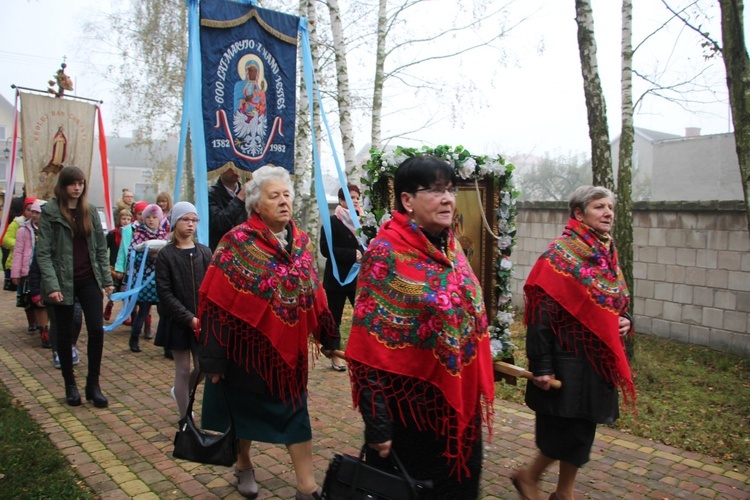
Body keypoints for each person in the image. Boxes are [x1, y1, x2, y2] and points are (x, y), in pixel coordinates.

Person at [345, 156, 495, 499]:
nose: (447, 198)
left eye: (451, 189)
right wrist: (378, 425)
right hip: (412, 415)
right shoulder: (385, 255)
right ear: (407, 200)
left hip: (459, 405)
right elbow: (368, 349)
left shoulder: (452, 248)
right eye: (435, 190)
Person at [198, 165, 335, 500]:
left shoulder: (300, 242)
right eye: (275, 196)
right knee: (242, 415)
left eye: (287, 194)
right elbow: (217, 303)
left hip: (288, 358)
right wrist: (212, 359)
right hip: (243, 353)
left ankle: (307, 486)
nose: (284, 202)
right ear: (257, 205)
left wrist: (329, 338)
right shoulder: (236, 242)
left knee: (295, 415)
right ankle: (244, 465)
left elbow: (315, 294)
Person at [511, 185, 635, 500]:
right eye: (599, 207)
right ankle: (530, 477)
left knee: (583, 432)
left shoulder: (607, 252)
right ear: (578, 213)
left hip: (597, 361)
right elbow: (539, 316)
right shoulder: (559, 255)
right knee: (562, 434)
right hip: (565, 361)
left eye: (610, 207)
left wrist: (625, 321)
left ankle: (563, 491)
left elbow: (613, 302)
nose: (608, 212)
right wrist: (542, 366)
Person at [37, 166, 114, 408]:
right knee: (65, 334)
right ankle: (70, 385)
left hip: (88, 279)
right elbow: (44, 253)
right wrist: (52, 284)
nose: (77, 187)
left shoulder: (89, 211)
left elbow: (101, 250)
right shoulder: (50, 212)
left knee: (96, 330)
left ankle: (93, 385)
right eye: (72, 183)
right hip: (62, 282)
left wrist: (107, 280)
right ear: (63, 186)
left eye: (80, 183)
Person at [155, 202, 212, 418]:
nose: (190, 224)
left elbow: (212, 286)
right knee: (182, 368)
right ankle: (184, 416)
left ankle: (181, 392)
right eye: (185, 219)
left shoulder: (204, 252)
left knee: (204, 366)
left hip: (203, 321)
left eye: (194, 220)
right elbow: (165, 293)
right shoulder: (165, 255)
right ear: (175, 222)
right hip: (178, 322)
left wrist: (206, 317)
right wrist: (189, 319)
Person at [319, 184, 365, 372]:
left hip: (357, 279)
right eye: (350, 198)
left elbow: (368, 245)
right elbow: (325, 249)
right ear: (341, 200)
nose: (354, 201)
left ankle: (363, 355)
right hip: (336, 279)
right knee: (334, 318)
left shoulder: (363, 222)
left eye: (357, 197)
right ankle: (335, 355)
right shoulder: (331, 222)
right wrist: (352, 254)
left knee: (364, 316)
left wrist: (362, 252)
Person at [127, 204, 168, 352]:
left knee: (165, 313)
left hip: (161, 280)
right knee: (143, 311)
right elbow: (131, 257)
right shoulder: (138, 235)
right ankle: (134, 338)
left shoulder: (164, 235)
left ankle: (166, 343)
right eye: (148, 217)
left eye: (154, 217)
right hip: (144, 280)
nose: (151, 220)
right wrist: (146, 256)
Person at [11, 199, 47, 346]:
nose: (34, 215)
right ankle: (43, 330)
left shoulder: (50, 230)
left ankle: (45, 326)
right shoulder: (23, 230)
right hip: (29, 271)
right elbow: (18, 252)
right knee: (36, 302)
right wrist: (15, 273)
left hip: (46, 270)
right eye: (32, 211)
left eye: (37, 212)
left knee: (47, 300)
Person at [3, 196, 37, 331]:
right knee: (26, 296)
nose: (31, 214)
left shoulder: (43, 226)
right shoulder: (18, 223)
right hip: (22, 263)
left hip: (35, 265)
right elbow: (6, 239)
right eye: (29, 210)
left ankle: (41, 323)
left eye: (34, 211)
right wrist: (21, 245)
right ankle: (31, 321)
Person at [208, 167, 247, 251]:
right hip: (222, 251)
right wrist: (240, 198)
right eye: (231, 167)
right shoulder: (210, 195)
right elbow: (220, 223)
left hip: (245, 249)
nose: (236, 170)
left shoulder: (248, 193)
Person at [104, 209, 133, 321]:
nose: (126, 221)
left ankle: (125, 314)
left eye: (128, 219)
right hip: (114, 267)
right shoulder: (112, 234)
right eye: (123, 219)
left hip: (127, 267)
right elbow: (104, 249)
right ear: (119, 219)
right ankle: (110, 305)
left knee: (125, 289)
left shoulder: (132, 234)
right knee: (114, 289)